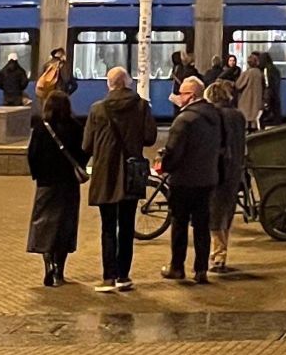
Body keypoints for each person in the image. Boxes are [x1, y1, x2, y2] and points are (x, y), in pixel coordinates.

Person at [83, 66, 157, 292]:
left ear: (109, 84)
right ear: (128, 83)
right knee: (126, 225)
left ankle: (108, 277)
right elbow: (150, 138)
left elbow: (86, 145)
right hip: (131, 173)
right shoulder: (142, 106)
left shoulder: (98, 109)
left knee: (108, 226)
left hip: (106, 173)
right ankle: (124, 276)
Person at [160, 75, 223, 284]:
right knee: (202, 226)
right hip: (207, 179)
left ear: (192, 95)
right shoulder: (214, 116)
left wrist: (165, 165)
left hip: (184, 180)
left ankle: (177, 267)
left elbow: (173, 150)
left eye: (182, 93)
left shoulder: (184, 119)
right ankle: (201, 269)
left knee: (179, 224)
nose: (179, 97)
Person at [26, 90, 89, 287]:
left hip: (46, 184)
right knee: (65, 226)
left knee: (45, 225)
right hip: (68, 183)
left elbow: (32, 155)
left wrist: (38, 176)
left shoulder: (41, 128)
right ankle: (60, 270)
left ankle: (48, 266)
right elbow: (84, 151)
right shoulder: (76, 127)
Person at [203, 80, 247, 271]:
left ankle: (218, 256)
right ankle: (221, 252)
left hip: (216, 169)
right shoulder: (238, 115)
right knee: (226, 212)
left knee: (214, 213)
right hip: (235, 168)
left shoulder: (214, 116)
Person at [234, 52, 266, 130]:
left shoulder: (247, 73)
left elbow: (238, 85)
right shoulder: (260, 74)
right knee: (254, 121)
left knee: (246, 121)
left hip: (245, 101)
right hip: (256, 101)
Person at [257, 51, 283, 128]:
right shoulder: (274, 69)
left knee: (263, 118)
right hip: (275, 97)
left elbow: (267, 85)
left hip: (270, 98)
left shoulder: (266, 70)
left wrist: (266, 100)